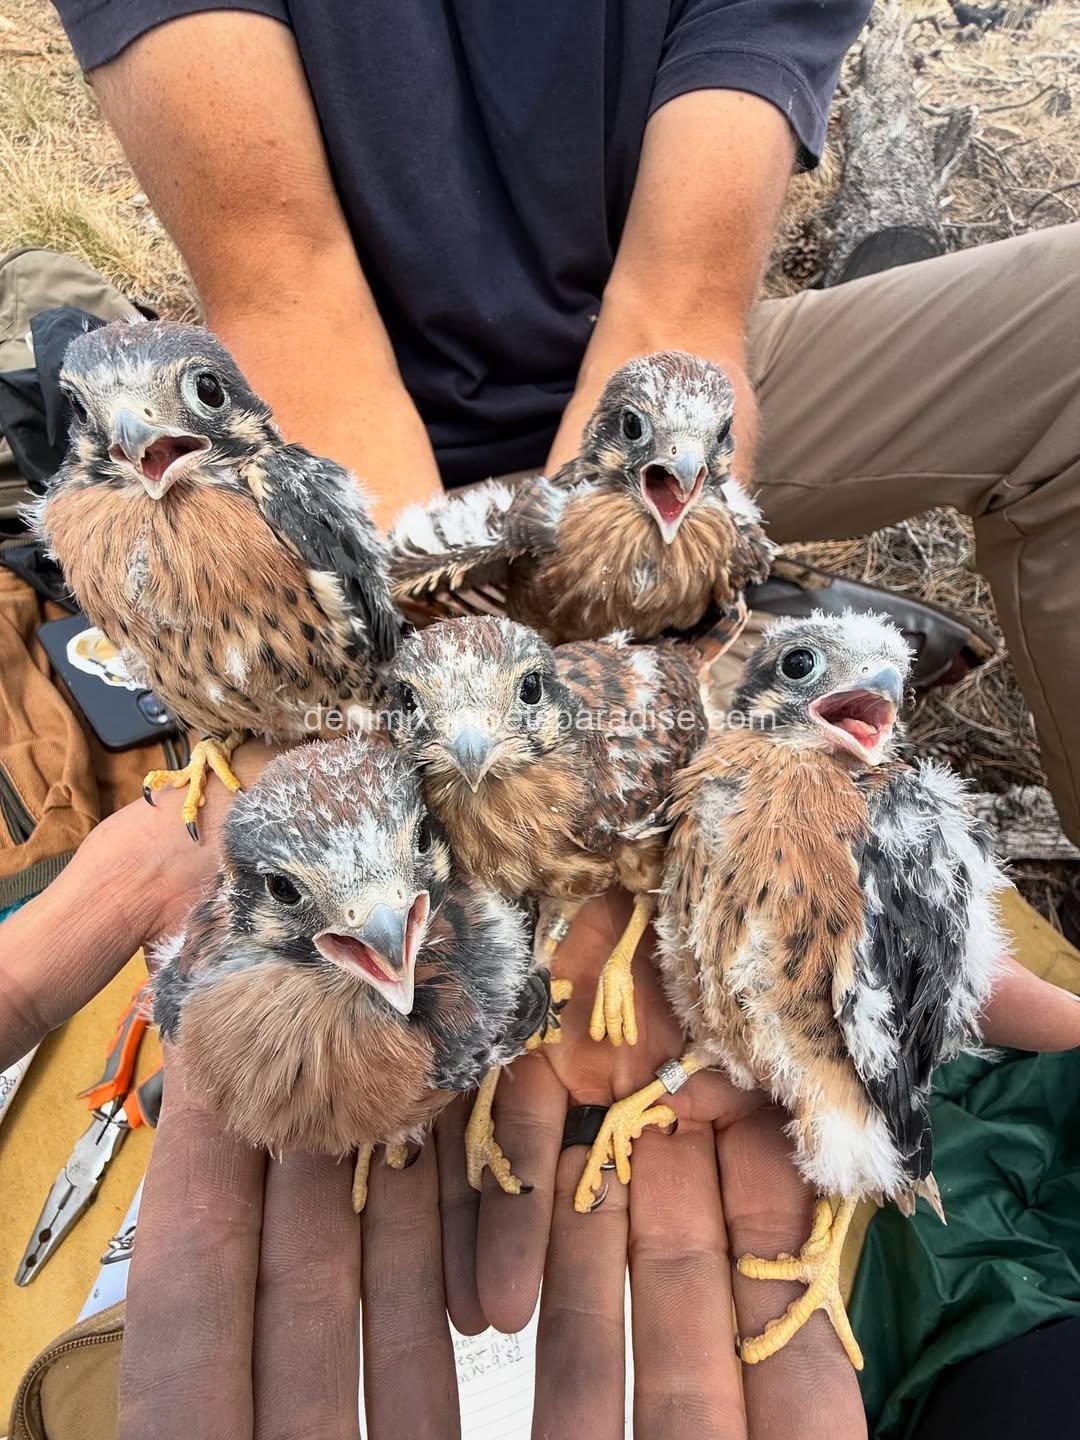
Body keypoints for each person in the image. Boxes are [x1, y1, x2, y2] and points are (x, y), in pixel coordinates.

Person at [1, 1, 1078, 1435]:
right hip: (342, 425)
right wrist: (395, 769)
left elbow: (678, 314)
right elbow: (283, 278)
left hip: (634, 440)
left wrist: (602, 738)